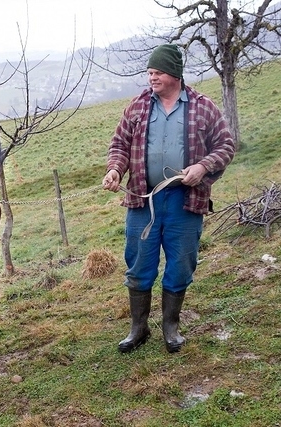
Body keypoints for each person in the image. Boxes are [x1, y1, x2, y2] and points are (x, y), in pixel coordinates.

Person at [102, 44, 235, 354]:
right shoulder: (137, 106)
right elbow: (120, 144)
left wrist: (203, 167)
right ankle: (138, 328)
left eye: (158, 72)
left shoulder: (203, 107)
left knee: (181, 263)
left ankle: (171, 327)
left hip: (184, 201)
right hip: (143, 201)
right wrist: (115, 170)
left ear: (175, 74)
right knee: (138, 263)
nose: (152, 78)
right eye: (150, 73)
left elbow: (225, 146)